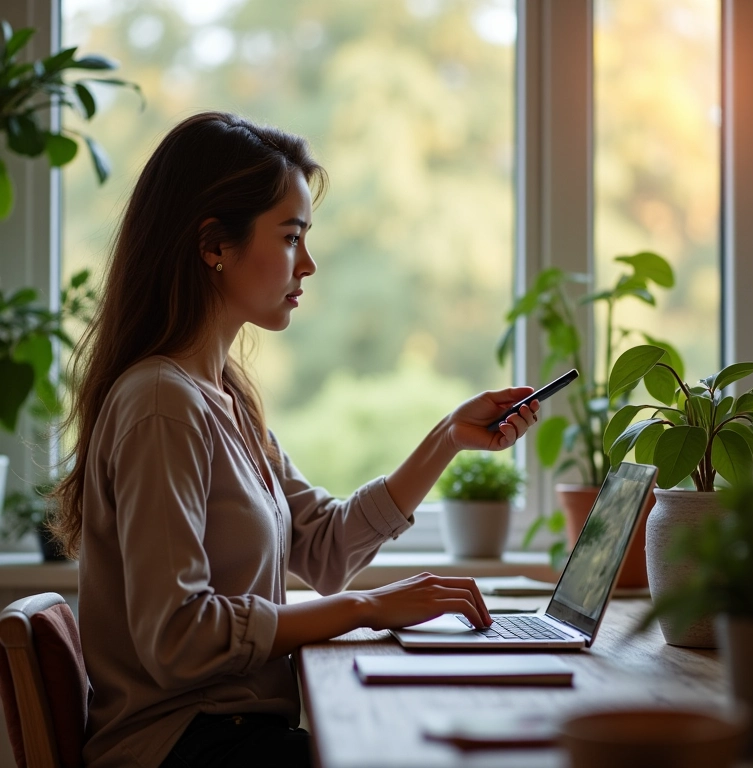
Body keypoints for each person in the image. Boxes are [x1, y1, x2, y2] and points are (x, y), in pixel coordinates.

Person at [51, 111, 539, 768]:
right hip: (185, 748)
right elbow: (177, 638)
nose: (307, 264)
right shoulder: (162, 403)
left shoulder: (223, 399)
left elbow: (325, 547)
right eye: (290, 237)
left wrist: (447, 438)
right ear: (214, 245)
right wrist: (366, 608)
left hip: (233, 738)